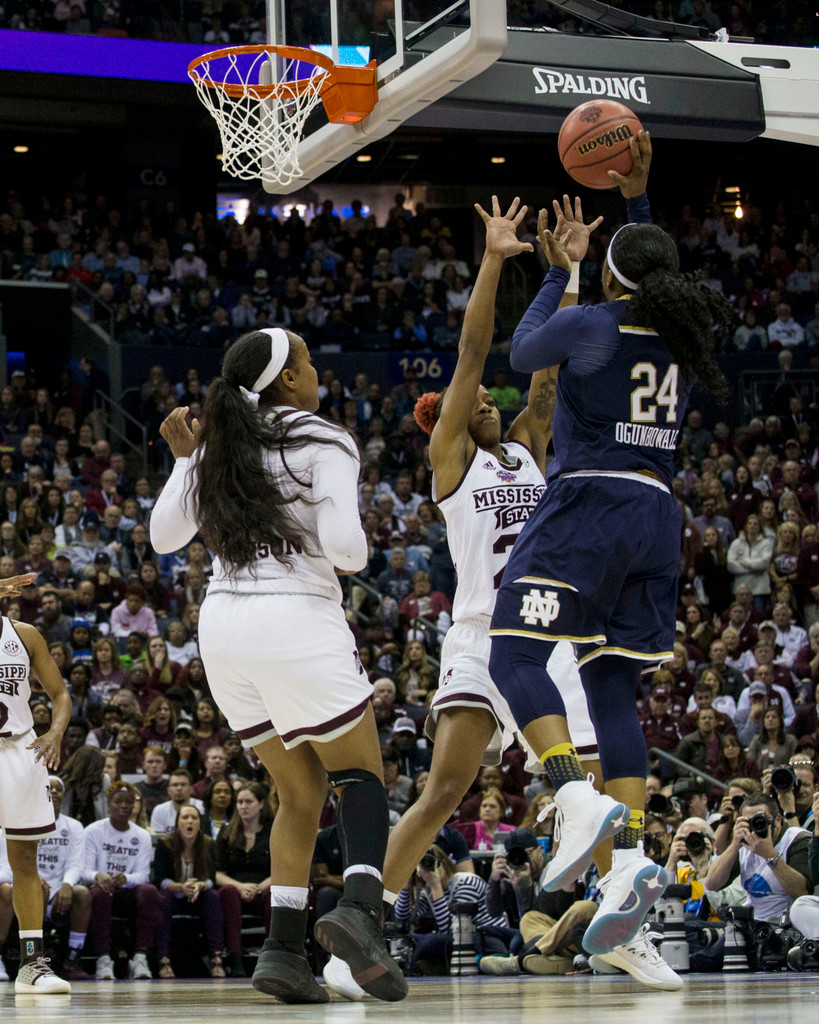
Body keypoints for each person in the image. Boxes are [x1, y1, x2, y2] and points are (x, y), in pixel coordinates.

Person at [486, 131, 733, 962]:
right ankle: (626, 878)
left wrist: (559, 270)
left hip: (590, 502)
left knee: (513, 657)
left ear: (612, 275)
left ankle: (571, 794)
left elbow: (521, 353)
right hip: (660, 516)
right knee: (612, 688)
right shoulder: (682, 332)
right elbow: (656, 271)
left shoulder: (590, 322)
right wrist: (637, 203)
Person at [149, 327, 406, 1003]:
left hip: (223, 628)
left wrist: (185, 461)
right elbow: (347, 552)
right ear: (288, 380)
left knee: (298, 792)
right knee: (359, 774)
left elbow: (164, 537)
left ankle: (284, 949)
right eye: (309, 361)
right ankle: (358, 907)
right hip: (293, 616)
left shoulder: (219, 444)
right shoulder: (323, 437)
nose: (316, 369)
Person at [0, 571, 73, 993]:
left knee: (25, 862)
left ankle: (31, 966)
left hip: (19, 751)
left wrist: (54, 733)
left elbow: (60, 695)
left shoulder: (25, 633)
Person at [83, 781, 163, 980]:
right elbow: (83, 870)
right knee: (99, 893)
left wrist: (125, 878)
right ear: (109, 804)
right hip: (102, 890)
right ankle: (103, 958)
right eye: (118, 801)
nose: (124, 806)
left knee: (150, 891)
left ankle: (140, 957)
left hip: (128, 892)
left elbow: (143, 875)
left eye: (128, 802)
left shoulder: (142, 835)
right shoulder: (93, 831)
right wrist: (98, 875)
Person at [152, 804, 225, 978]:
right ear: (178, 824)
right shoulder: (165, 844)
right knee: (164, 897)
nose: (189, 821)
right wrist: (181, 887)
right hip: (174, 896)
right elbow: (160, 879)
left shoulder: (208, 844)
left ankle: (217, 957)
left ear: (200, 824)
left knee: (213, 896)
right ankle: (163, 958)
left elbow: (212, 879)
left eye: (194, 818)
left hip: (197, 897)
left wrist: (199, 885)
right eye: (185, 818)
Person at [38, 775, 91, 980]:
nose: (53, 792)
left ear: (64, 795)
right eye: (48, 788)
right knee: (38, 890)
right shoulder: (28, 822)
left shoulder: (74, 826)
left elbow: (76, 863)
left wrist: (68, 885)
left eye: (58, 789)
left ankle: (72, 957)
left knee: (83, 893)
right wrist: (34, 880)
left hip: (61, 889)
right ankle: (36, 958)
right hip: (34, 887)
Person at [150, 767, 205, 834]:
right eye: (175, 785)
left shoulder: (202, 807)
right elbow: (158, 840)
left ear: (191, 789)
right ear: (168, 790)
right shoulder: (159, 810)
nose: (179, 788)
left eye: (183, 784)